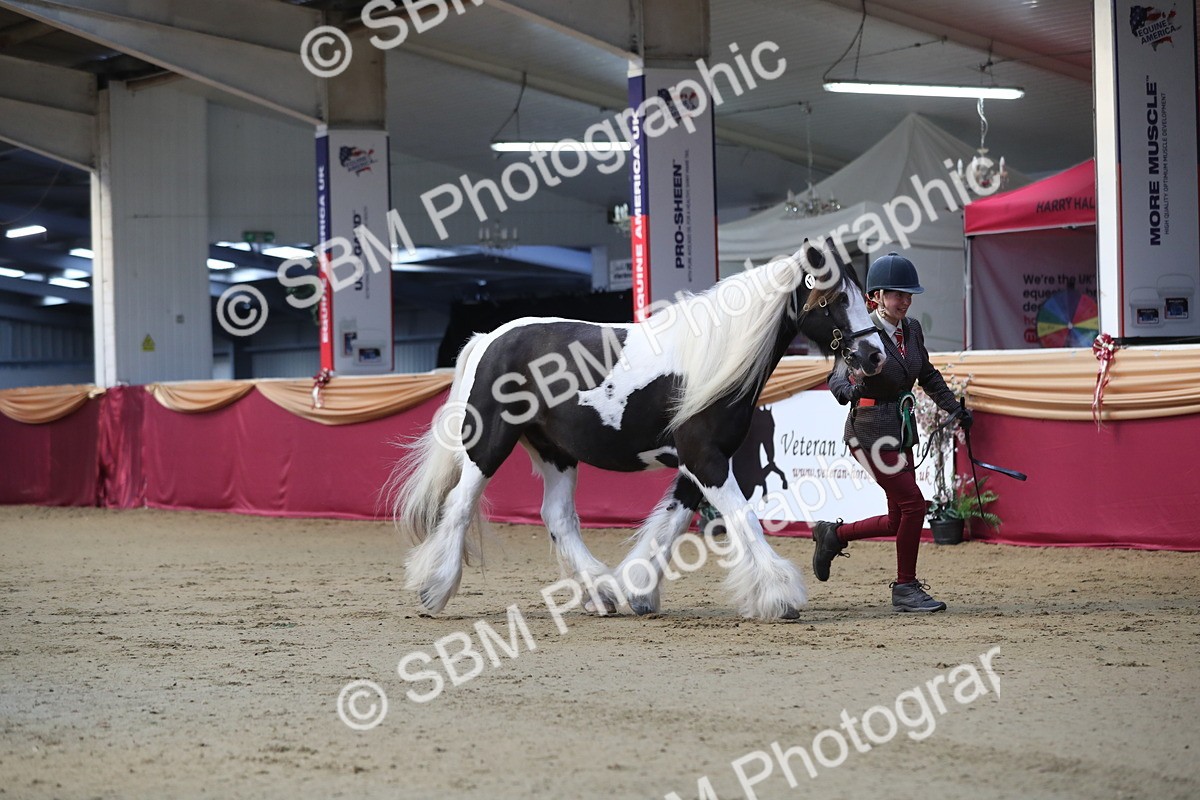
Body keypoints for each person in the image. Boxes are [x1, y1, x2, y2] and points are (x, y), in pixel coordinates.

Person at [813, 252, 971, 612]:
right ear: (878, 296)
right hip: (867, 433)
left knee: (898, 518)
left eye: (909, 295)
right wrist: (848, 391)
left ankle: (833, 534)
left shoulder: (912, 329)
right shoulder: (860, 331)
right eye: (898, 294)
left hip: (900, 431)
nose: (905, 301)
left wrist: (955, 409)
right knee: (915, 505)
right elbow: (836, 378)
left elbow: (926, 374)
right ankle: (905, 587)